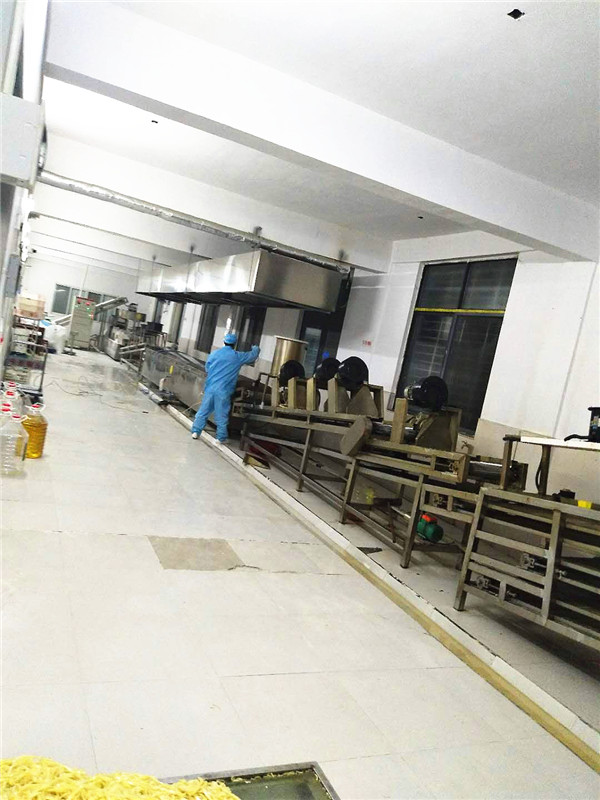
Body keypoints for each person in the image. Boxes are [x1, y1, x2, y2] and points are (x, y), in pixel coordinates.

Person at [191, 331, 260, 443]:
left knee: (203, 412)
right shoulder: (237, 356)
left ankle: (195, 432)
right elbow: (252, 356)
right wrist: (256, 348)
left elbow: (207, 368)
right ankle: (220, 438)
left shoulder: (214, 354)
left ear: (224, 342)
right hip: (223, 391)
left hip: (210, 388)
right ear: (234, 344)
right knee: (221, 415)